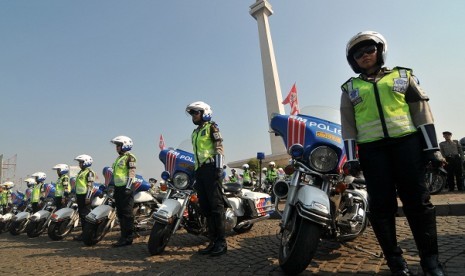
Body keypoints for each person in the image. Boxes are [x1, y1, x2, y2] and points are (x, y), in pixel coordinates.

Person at [340, 31, 444, 275]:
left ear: (380, 51)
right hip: (372, 151)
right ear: (352, 60)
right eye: (358, 53)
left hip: (407, 145)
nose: (364, 56)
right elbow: (348, 125)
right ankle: (396, 262)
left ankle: (431, 261)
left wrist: (432, 149)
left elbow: (422, 112)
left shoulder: (403, 76)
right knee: (381, 207)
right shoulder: (350, 88)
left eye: (369, 50)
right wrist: (352, 158)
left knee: (418, 203)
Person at [186, 101, 227, 256]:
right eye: (192, 114)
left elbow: (219, 148)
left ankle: (222, 242)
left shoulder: (212, 127)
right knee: (206, 208)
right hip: (200, 171)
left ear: (205, 113)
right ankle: (213, 240)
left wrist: (218, 168)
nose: (193, 116)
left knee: (216, 207)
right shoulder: (195, 132)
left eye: (196, 113)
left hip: (211, 169)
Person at [109, 135, 137, 247]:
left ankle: (128, 238)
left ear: (125, 145)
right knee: (120, 213)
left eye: (119, 145)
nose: (117, 148)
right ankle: (123, 236)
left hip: (126, 187)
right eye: (116, 145)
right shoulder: (118, 159)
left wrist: (128, 188)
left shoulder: (130, 157)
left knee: (127, 214)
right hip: (118, 188)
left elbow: (132, 173)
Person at [73, 154, 95, 241]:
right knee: (82, 215)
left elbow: (90, 186)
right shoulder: (80, 172)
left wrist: (88, 197)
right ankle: (84, 234)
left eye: (81, 162)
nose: (79, 164)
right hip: (80, 196)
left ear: (86, 163)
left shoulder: (89, 172)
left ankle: (87, 234)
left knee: (85, 215)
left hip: (86, 196)